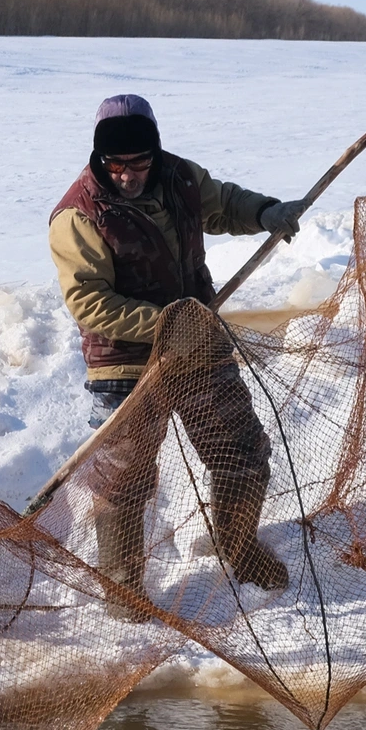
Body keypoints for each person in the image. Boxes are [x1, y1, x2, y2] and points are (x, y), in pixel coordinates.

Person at [48, 94, 307, 614]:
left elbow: (224, 203)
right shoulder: (78, 214)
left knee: (242, 451)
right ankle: (124, 594)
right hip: (124, 361)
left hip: (200, 347)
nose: (127, 176)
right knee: (125, 479)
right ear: (101, 159)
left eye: (139, 163)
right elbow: (88, 302)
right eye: (116, 166)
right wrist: (167, 325)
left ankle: (241, 549)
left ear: (156, 152)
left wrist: (264, 212)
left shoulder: (181, 178)